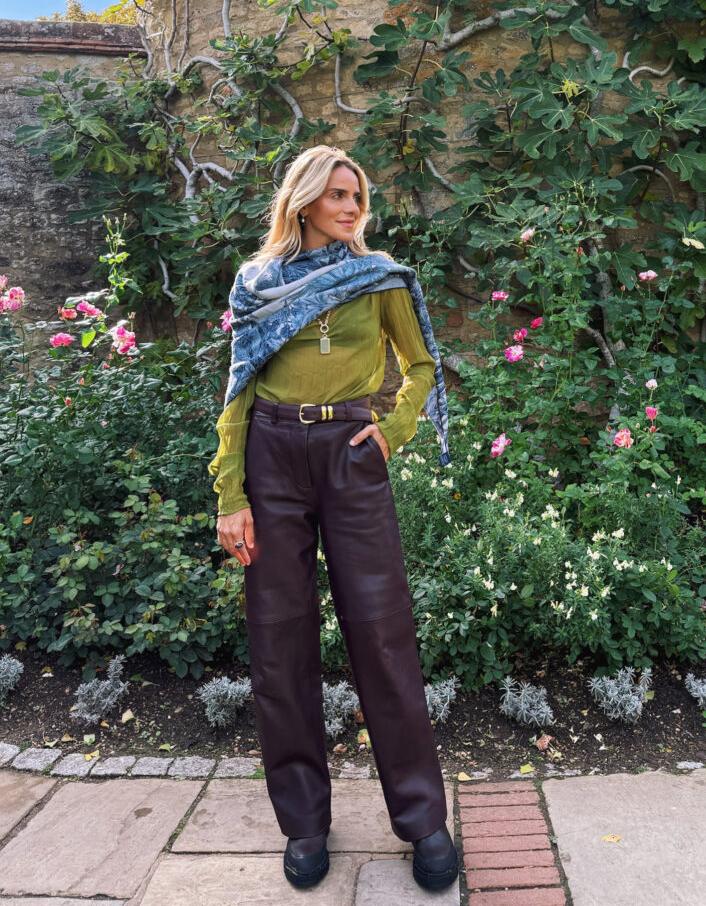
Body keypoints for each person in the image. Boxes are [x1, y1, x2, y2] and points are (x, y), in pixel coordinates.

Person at [209, 144, 459, 891]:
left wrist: (394, 429)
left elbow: (422, 365)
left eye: (357, 196)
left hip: (351, 455)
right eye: (338, 194)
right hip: (270, 456)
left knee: (382, 634)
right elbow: (238, 389)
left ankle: (423, 821)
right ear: (305, 200)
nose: (352, 207)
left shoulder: (379, 278)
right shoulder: (257, 284)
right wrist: (231, 494)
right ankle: (305, 824)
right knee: (278, 641)